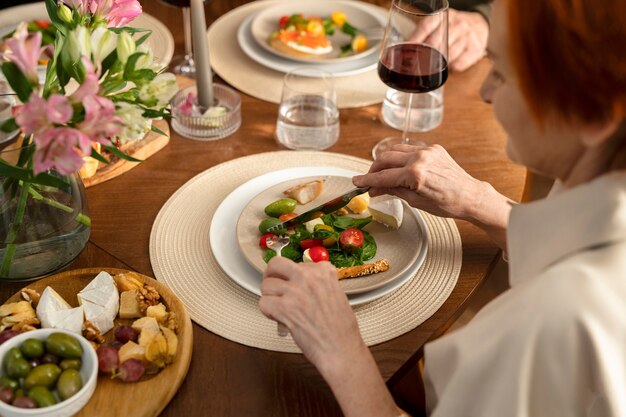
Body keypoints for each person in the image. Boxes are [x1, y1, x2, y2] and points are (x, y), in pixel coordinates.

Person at [259, 0, 626, 415]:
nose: (486, 92)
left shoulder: (550, 324)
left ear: (597, 114)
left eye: (502, 73)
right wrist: (478, 201)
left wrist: (341, 349)